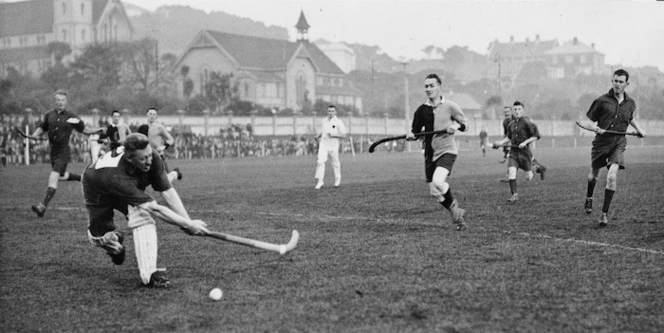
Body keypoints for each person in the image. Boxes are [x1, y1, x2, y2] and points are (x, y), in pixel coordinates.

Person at [83, 133, 209, 287]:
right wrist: (189, 225)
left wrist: (187, 222)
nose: (149, 161)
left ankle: (150, 275)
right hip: (97, 186)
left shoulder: (153, 156)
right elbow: (155, 209)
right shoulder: (117, 177)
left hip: (125, 181)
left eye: (149, 155)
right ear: (129, 158)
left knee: (142, 215)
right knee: (99, 238)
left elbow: (167, 191)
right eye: (143, 159)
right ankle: (115, 246)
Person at [29, 90, 106, 218]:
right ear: (55, 101)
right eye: (58, 100)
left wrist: (96, 130)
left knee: (53, 176)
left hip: (63, 151)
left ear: (66, 101)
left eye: (63, 100)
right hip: (53, 151)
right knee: (61, 176)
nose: (60, 102)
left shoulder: (72, 117)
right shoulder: (49, 115)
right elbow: (42, 127)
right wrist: (34, 136)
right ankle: (83, 178)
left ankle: (42, 206)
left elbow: (84, 129)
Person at [583, 69, 646, 227]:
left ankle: (604, 214)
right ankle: (589, 197)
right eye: (615, 81)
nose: (617, 84)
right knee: (593, 176)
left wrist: (639, 130)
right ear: (612, 81)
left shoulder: (630, 103)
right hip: (601, 143)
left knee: (611, 177)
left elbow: (630, 119)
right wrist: (595, 128)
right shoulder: (601, 100)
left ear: (627, 84)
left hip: (618, 142)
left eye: (621, 82)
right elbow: (588, 121)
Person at [406, 73, 468, 231]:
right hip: (429, 153)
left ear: (439, 87)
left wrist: (456, 126)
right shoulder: (421, 110)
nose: (428, 89)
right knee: (435, 192)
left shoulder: (450, 106)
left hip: (447, 150)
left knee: (439, 181)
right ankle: (456, 211)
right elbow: (417, 133)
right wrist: (412, 136)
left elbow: (466, 125)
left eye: (431, 86)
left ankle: (455, 210)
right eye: (426, 86)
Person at [489, 101, 543, 202]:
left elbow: (536, 136)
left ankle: (533, 169)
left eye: (519, 109)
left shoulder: (527, 122)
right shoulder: (511, 124)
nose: (517, 111)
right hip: (514, 152)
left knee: (528, 177)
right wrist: (500, 143)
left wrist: (525, 142)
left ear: (523, 110)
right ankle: (514, 195)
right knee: (511, 171)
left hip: (525, 153)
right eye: (515, 110)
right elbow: (508, 138)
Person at [138, 108, 182, 182]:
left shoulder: (159, 127)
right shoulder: (142, 128)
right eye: (150, 114)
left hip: (158, 155)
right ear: (147, 115)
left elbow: (170, 139)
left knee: (165, 181)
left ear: (156, 116)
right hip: (145, 156)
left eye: (154, 114)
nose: (152, 116)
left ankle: (175, 173)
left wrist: (164, 146)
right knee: (140, 179)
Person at [314, 105, 346, 189]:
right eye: (329, 111)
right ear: (327, 112)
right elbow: (323, 131)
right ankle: (320, 181)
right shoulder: (324, 121)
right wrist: (318, 136)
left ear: (335, 112)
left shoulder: (338, 122)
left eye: (332, 111)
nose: (331, 113)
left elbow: (343, 135)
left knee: (335, 163)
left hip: (333, 145)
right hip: (323, 144)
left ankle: (337, 178)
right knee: (320, 161)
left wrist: (333, 135)